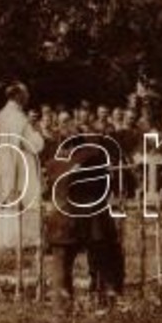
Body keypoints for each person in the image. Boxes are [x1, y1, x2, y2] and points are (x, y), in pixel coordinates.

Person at [44, 131, 124, 309]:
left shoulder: (53, 165)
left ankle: (62, 306)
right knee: (100, 262)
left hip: (61, 223)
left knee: (61, 266)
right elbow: (107, 187)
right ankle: (102, 299)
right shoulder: (93, 162)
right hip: (91, 222)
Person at [0, 82, 44, 250]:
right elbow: (35, 144)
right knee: (25, 197)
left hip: (3, 163)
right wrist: (38, 135)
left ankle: (4, 240)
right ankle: (23, 240)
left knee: (6, 198)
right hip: (21, 164)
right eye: (25, 94)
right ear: (18, 96)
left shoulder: (0, 116)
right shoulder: (20, 119)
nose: (28, 98)